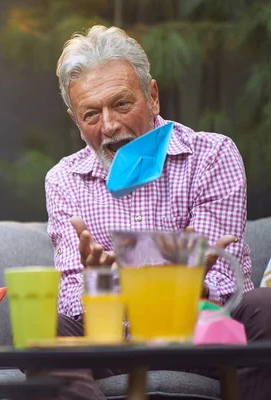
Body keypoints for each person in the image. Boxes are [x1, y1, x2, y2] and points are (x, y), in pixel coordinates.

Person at [46, 25, 271, 399]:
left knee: (264, 307)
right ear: (75, 121)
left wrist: (190, 287)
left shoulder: (211, 156)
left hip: (205, 337)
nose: (110, 126)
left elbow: (225, 280)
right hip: (115, 342)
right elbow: (70, 300)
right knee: (46, 328)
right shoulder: (64, 180)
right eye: (90, 114)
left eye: (121, 104)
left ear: (152, 97)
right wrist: (100, 286)